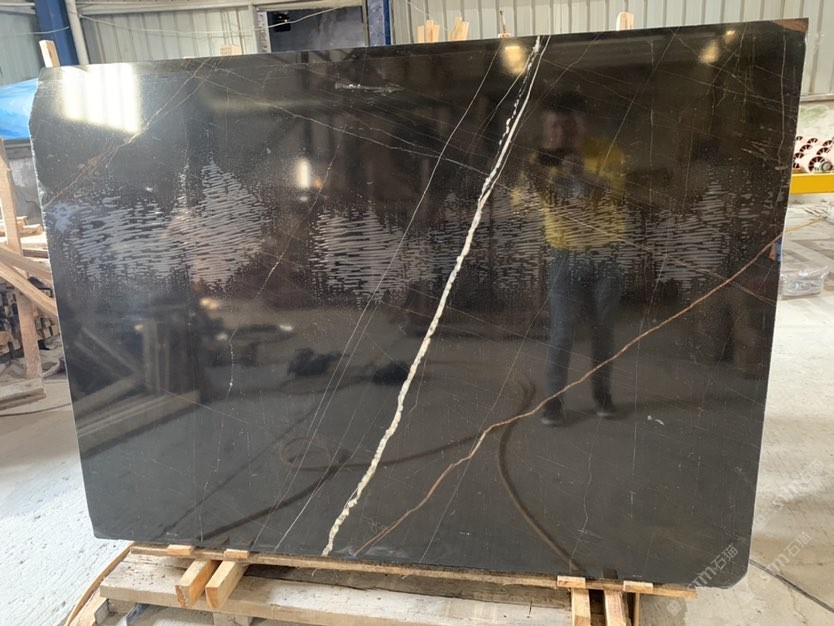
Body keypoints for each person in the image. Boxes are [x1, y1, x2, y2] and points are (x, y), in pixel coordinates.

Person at [519, 92, 627, 426]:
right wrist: (535, 182)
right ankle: (553, 401)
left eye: (568, 126)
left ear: (582, 124)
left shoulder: (608, 153)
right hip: (564, 256)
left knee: (603, 332)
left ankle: (603, 395)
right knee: (562, 331)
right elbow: (522, 206)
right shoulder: (539, 159)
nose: (560, 134)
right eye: (553, 126)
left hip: (606, 255)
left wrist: (581, 174)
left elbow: (615, 193)